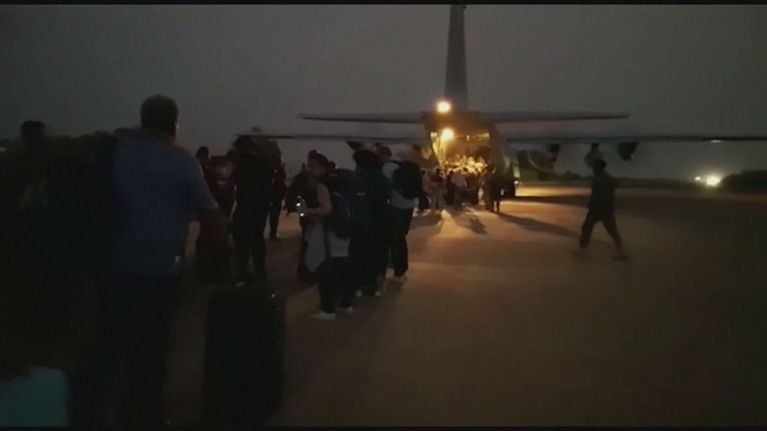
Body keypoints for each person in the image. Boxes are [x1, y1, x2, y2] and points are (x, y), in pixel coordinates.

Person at [70, 95, 228, 426]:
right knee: (150, 352)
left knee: (105, 346)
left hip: (109, 267)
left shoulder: (113, 152)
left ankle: (90, 413)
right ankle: (141, 416)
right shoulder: (181, 161)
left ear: (142, 119)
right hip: (158, 272)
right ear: (173, 123)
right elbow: (210, 214)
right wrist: (223, 253)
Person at [302, 154, 351, 320]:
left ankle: (328, 309)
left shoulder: (322, 185)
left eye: (313, 166)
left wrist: (307, 211)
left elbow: (326, 209)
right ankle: (345, 303)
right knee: (341, 266)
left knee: (324, 268)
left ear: (323, 167)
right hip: (343, 229)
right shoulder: (338, 181)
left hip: (328, 230)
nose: (310, 169)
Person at [230, 136, 274, 285]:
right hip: (260, 208)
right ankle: (259, 270)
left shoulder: (241, 165)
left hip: (244, 207)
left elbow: (233, 182)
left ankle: (243, 272)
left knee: (241, 242)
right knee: (257, 240)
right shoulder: (265, 164)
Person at [352, 148, 391, 297]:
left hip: (362, 221)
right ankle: (375, 285)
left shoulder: (357, 179)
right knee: (378, 254)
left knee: (361, 254)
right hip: (381, 221)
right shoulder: (382, 179)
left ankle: (360, 285)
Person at [378, 145, 417, 283]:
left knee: (392, 238)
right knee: (400, 238)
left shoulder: (387, 167)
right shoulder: (401, 164)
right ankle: (400, 269)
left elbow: (385, 188)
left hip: (395, 205)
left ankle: (394, 268)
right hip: (408, 203)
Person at [578, 158, 627, 259]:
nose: (593, 169)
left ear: (599, 168)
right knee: (612, 231)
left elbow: (598, 194)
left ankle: (582, 250)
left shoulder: (600, 179)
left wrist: (591, 204)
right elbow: (615, 185)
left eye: (595, 167)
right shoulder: (607, 178)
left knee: (587, 228)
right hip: (606, 208)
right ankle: (621, 252)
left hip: (598, 208)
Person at [268, 160, 287, 241]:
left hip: (273, 197)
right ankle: (272, 233)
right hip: (275, 197)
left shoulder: (272, 172)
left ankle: (272, 233)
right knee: (274, 216)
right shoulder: (276, 173)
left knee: (273, 216)